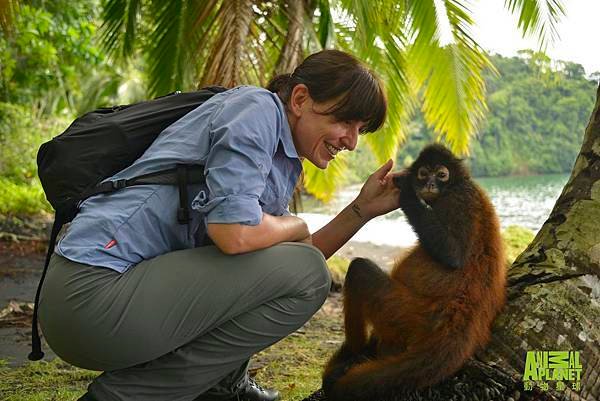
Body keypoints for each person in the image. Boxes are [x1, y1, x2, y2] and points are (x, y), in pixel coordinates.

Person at [38, 49, 399, 401]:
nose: (351, 142)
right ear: (300, 99)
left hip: (107, 304)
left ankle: (217, 385)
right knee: (309, 273)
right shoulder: (256, 111)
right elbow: (235, 234)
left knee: (305, 272)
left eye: (360, 129)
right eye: (343, 121)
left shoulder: (280, 156)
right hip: (90, 294)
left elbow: (283, 267)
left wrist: (360, 210)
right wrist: (294, 224)